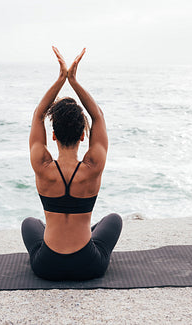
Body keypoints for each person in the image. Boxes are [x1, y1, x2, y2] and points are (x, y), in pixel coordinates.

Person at [21, 47, 122, 281]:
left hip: (46, 266)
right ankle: (84, 231)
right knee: (114, 219)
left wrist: (60, 80)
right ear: (83, 136)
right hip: (89, 265)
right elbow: (98, 117)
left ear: (53, 135)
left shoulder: (42, 165)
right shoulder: (93, 165)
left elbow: (38, 115)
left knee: (30, 223)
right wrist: (74, 81)